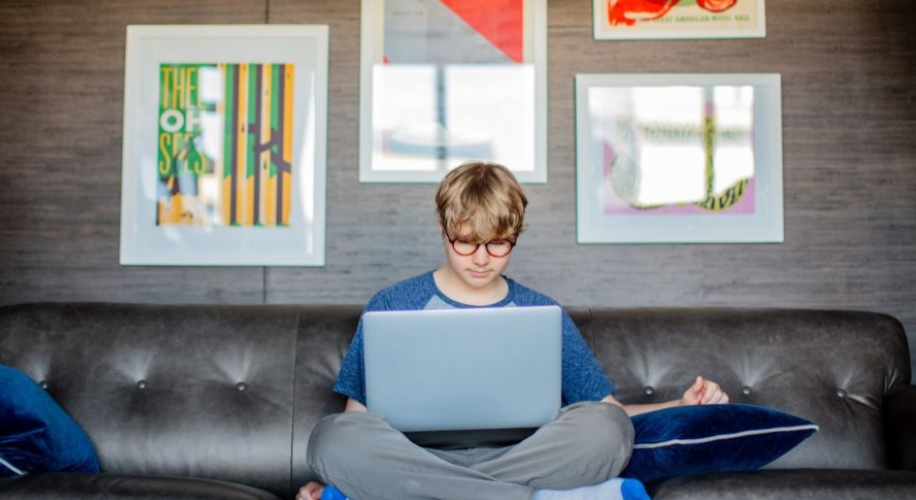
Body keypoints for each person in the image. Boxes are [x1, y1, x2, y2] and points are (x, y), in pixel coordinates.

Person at [299, 162, 729, 500]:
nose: (481, 258)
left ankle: (402, 495)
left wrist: (680, 404)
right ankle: (547, 498)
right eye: (465, 241)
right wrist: (350, 464)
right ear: (442, 231)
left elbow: (611, 412)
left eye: (498, 243)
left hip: (520, 458)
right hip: (415, 456)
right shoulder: (391, 304)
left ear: (515, 236)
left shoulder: (541, 311)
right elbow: (359, 422)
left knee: (607, 429)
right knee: (331, 439)